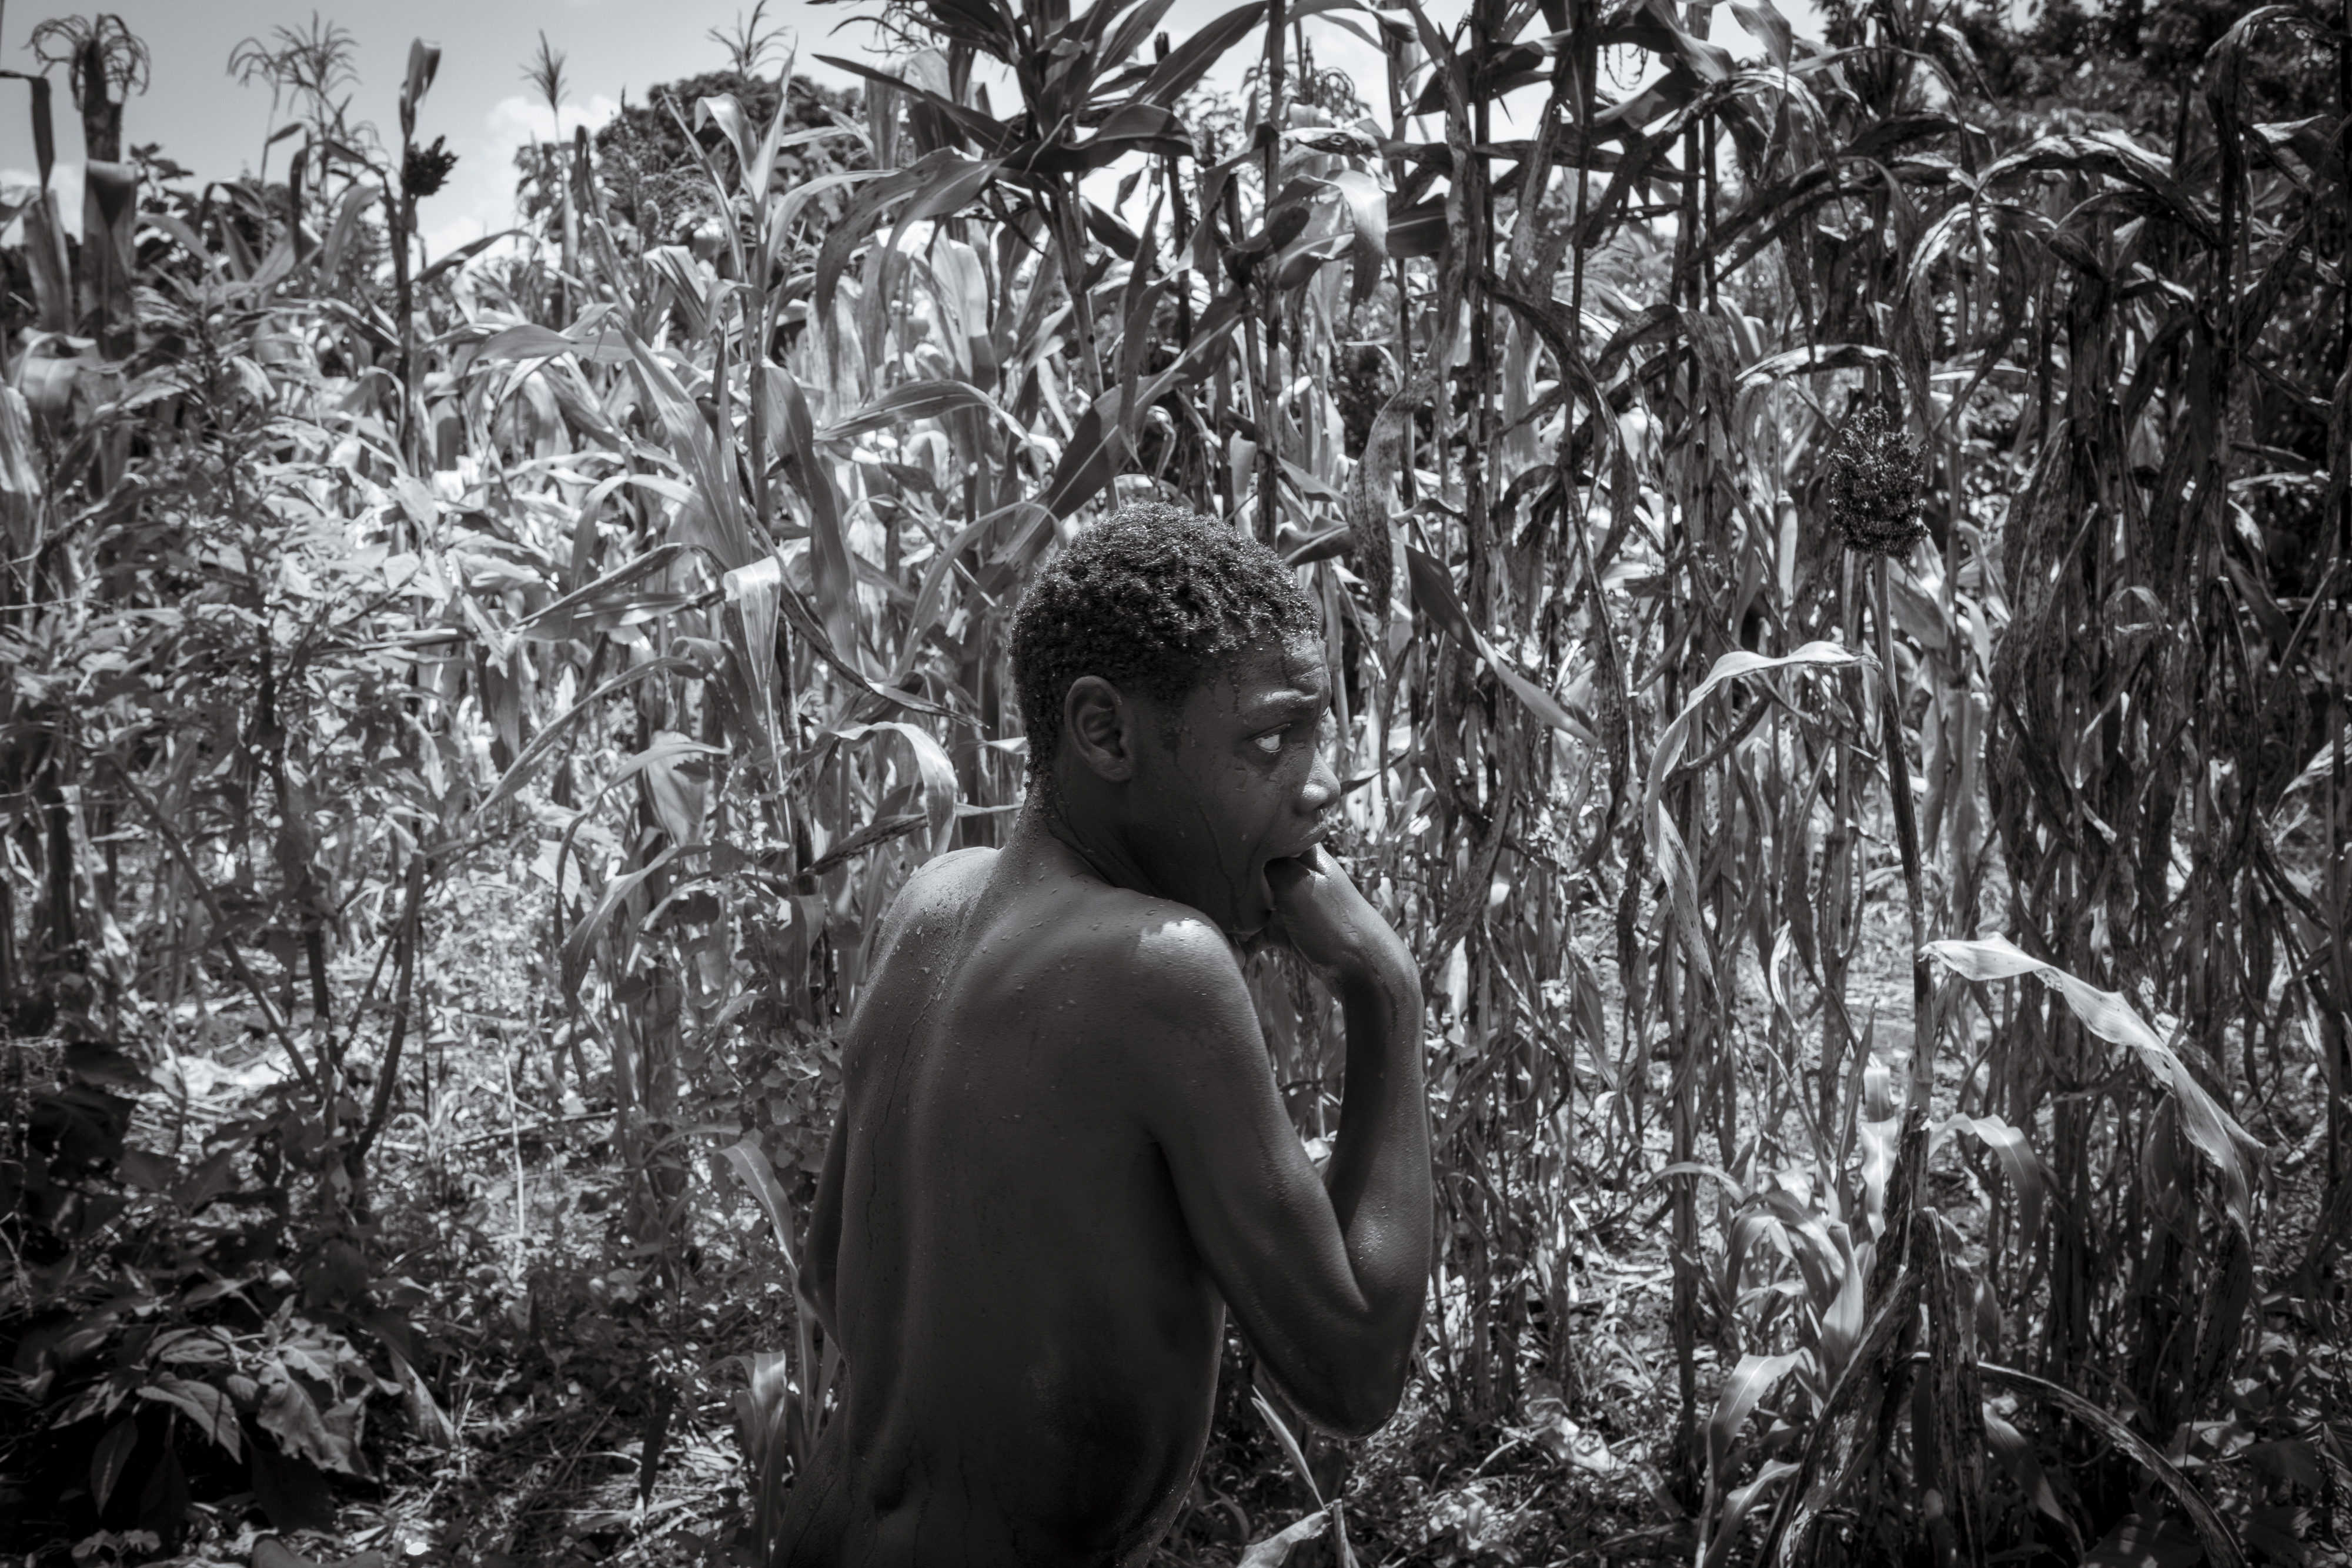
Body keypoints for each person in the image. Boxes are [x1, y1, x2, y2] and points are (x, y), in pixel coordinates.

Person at [774, 503, 1432, 1567]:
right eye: (1270, 739)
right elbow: (1355, 1376)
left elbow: (830, 1274)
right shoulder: (1160, 966)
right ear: (1106, 733)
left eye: (1320, 733)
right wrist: (1386, 995)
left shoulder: (933, 903)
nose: (1321, 790)